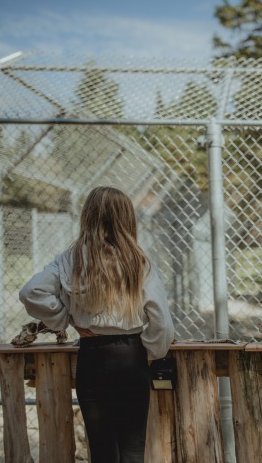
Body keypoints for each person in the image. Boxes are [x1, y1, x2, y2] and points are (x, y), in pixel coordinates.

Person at [19, 186, 175, 463]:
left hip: (91, 354)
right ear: (127, 218)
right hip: (131, 355)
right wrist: (150, 353)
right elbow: (161, 321)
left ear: (88, 216)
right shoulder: (139, 262)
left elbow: (31, 293)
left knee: (102, 449)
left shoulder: (71, 258)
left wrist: (64, 317)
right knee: (133, 448)